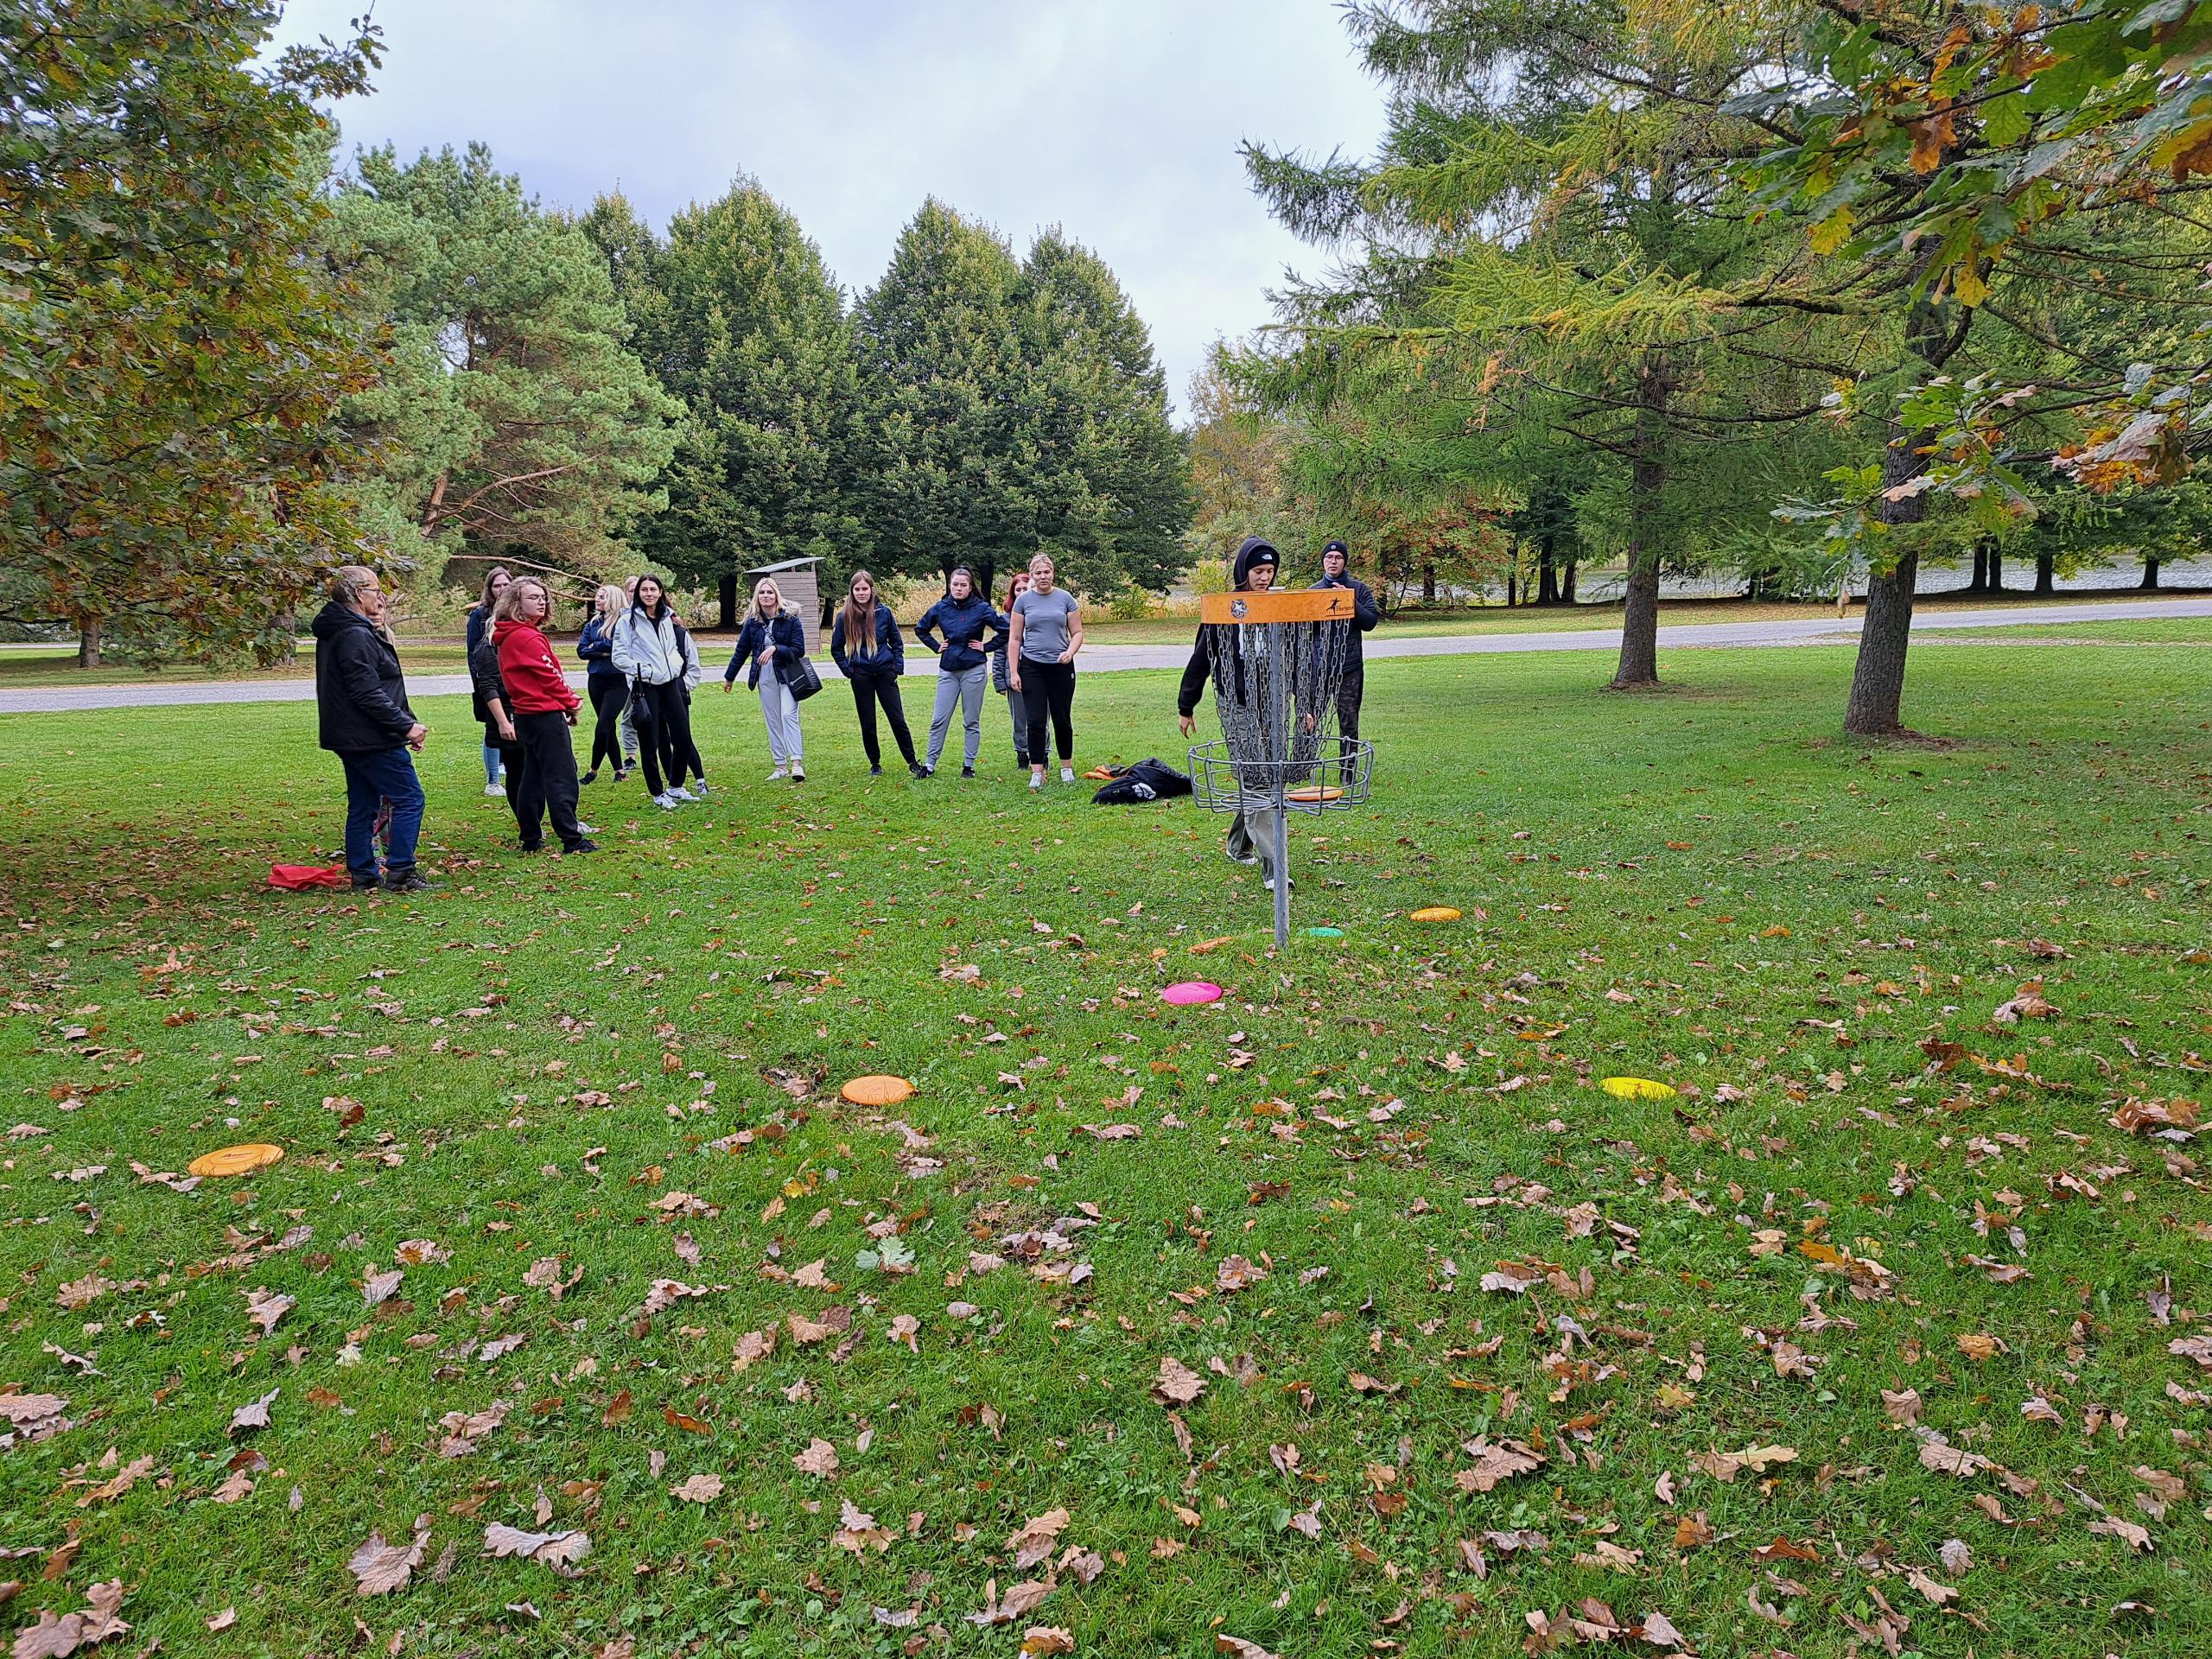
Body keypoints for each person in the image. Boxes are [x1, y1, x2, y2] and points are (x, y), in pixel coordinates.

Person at [1177, 536, 1300, 893]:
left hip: (1272, 704)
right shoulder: (1225, 610)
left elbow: (1296, 660)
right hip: (1237, 704)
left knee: (1265, 775)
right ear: (1243, 571)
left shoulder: (1277, 608)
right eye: (1258, 571)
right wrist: (1186, 706)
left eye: (1270, 571)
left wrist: (1306, 706)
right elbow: (1201, 658)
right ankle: (1274, 867)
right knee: (1257, 777)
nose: (1265, 578)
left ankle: (1238, 843)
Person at [312, 566, 430, 893]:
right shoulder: (354, 634)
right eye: (375, 590)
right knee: (409, 798)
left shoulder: (346, 629)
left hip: (355, 735)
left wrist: (406, 721)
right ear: (356, 593)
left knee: (364, 805)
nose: (380, 596)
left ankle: (364, 874)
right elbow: (366, 692)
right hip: (369, 736)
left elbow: (382, 684)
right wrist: (406, 726)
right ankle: (401, 872)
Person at [492, 578, 596, 856]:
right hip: (543, 715)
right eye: (533, 597)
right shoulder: (526, 637)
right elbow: (549, 675)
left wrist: (563, 705)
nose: (542, 602)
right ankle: (571, 839)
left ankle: (531, 837)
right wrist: (571, 702)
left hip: (527, 715)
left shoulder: (512, 634)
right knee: (561, 777)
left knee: (533, 775)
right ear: (516, 603)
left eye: (543, 597)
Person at [612, 575, 706, 810]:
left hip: (670, 683)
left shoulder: (666, 618)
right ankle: (657, 792)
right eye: (644, 590)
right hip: (647, 686)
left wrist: (674, 666)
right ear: (637, 593)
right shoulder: (628, 621)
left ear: (661, 592)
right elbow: (619, 657)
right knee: (650, 742)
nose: (649, 594)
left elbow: (672, 648)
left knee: (683, 737)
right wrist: (644, 671)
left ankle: (675, 786)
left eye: (653, 589)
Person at [913, 565, 1007, 779]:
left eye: (963, 585)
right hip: (948, 670)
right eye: (955, 584)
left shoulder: (981, 608)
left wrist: (986, 646)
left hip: (973, 669)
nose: (958, 588)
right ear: (950, 585)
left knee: (971, 720)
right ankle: (929, 764)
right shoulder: (941, 607)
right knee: (939, 718)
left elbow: (1005, 630)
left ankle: (969, 765)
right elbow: (921, 629)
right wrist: (936, 646)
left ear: (970, 587)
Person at [830, 569, 924, 779]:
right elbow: (836, 649)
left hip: (884, 672)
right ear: (852, 591)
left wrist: (897, 667)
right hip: (860, 674)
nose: (861, 593)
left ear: (872, 590)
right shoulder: (844, 616)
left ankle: (912, 761)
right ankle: (875, 763)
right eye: (857, 589)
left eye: (865, 589)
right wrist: (849, 670)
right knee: (868, 722)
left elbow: (896, 642)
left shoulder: (884, 613)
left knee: (897, 719)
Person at [1007, 552, 1084, 791]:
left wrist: (1070, 652)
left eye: (1047, 572)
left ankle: (1066, 767)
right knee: (1036, 721)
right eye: (1038, 573)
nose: (1043, 576)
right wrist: (1014, 672)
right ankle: (1037, 771)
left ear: (1053, 573)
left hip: (1061, 667)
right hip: (1032, 667)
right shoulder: (1023, 601)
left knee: (1062, 719)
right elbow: (1015, 639)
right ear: (1032, 575)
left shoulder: (1065, 598)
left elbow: (1077, 632)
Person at [722, 575, 810, 780]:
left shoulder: (790, 619)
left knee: (788, 715)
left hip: (787, 676)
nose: (766, 596)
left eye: (770, 592)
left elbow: (799, 650)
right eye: (762, 592)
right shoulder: (753, 623)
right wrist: (729, 677)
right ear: (757, 596)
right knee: (773, 720)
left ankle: (796, 763)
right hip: (765, 676)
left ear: (776, 595)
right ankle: (780, 766)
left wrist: (775, 649)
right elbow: (741, 651)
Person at [1313, 538, 1379, 779]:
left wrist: (1349, 601)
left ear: (1345, 562)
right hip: (1318, 668)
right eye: (1329, 557)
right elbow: (1303, 629)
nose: (1333, 561)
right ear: (1323, 562)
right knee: (1309, 719)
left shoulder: (1358, 589)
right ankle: (1303, 767)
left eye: (1338, 558)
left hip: (1349, 668)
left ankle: (1347, 772)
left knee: (1348, 722)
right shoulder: (1313, 592)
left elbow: (1370, 621)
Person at [467, 609, 526, 843]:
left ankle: (535, 822)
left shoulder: (524, 642)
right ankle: (527, 825)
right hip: (506, 713)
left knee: (532, 771)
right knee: (517, 771)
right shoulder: (489, 647)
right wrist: (503, 721)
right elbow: (488, 685)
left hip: (526, 712)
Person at [575, 582, 631, 785]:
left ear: (613, 599)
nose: (597, 600)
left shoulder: (624, 622)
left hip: (618, 682)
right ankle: (619, 771)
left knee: (602, 727)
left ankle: (593, 771)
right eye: (597, 596)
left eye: (602, 596)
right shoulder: (593, 623)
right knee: (607, 727)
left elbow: (620, 645)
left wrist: (596, 646)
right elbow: (582, 651)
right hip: (596, 680)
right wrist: (603, 651)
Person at [465, 565, 512, 797]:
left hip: (512, 682)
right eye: (497, 585)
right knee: (493, 727)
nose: (501, 589)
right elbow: (473, 652)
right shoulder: (480, 615)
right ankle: (493, 780)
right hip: (490, 681)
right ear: (489, 589)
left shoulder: (516, 612)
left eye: (505, 584)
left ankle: (507, 765)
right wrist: (481, 684)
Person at [990, 570, 1033, 773]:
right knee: (1019, 720)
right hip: (1014, 677)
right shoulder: (1005, 620)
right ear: (1013, 593)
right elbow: (1000, 652)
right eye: (1018, 590)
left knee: (1041, 719)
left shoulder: (1038, 615)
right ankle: (1022, 754)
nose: (1022, 592)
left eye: (1026, 588)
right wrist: (999, 681)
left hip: (1038, 674)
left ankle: (1043, 754)